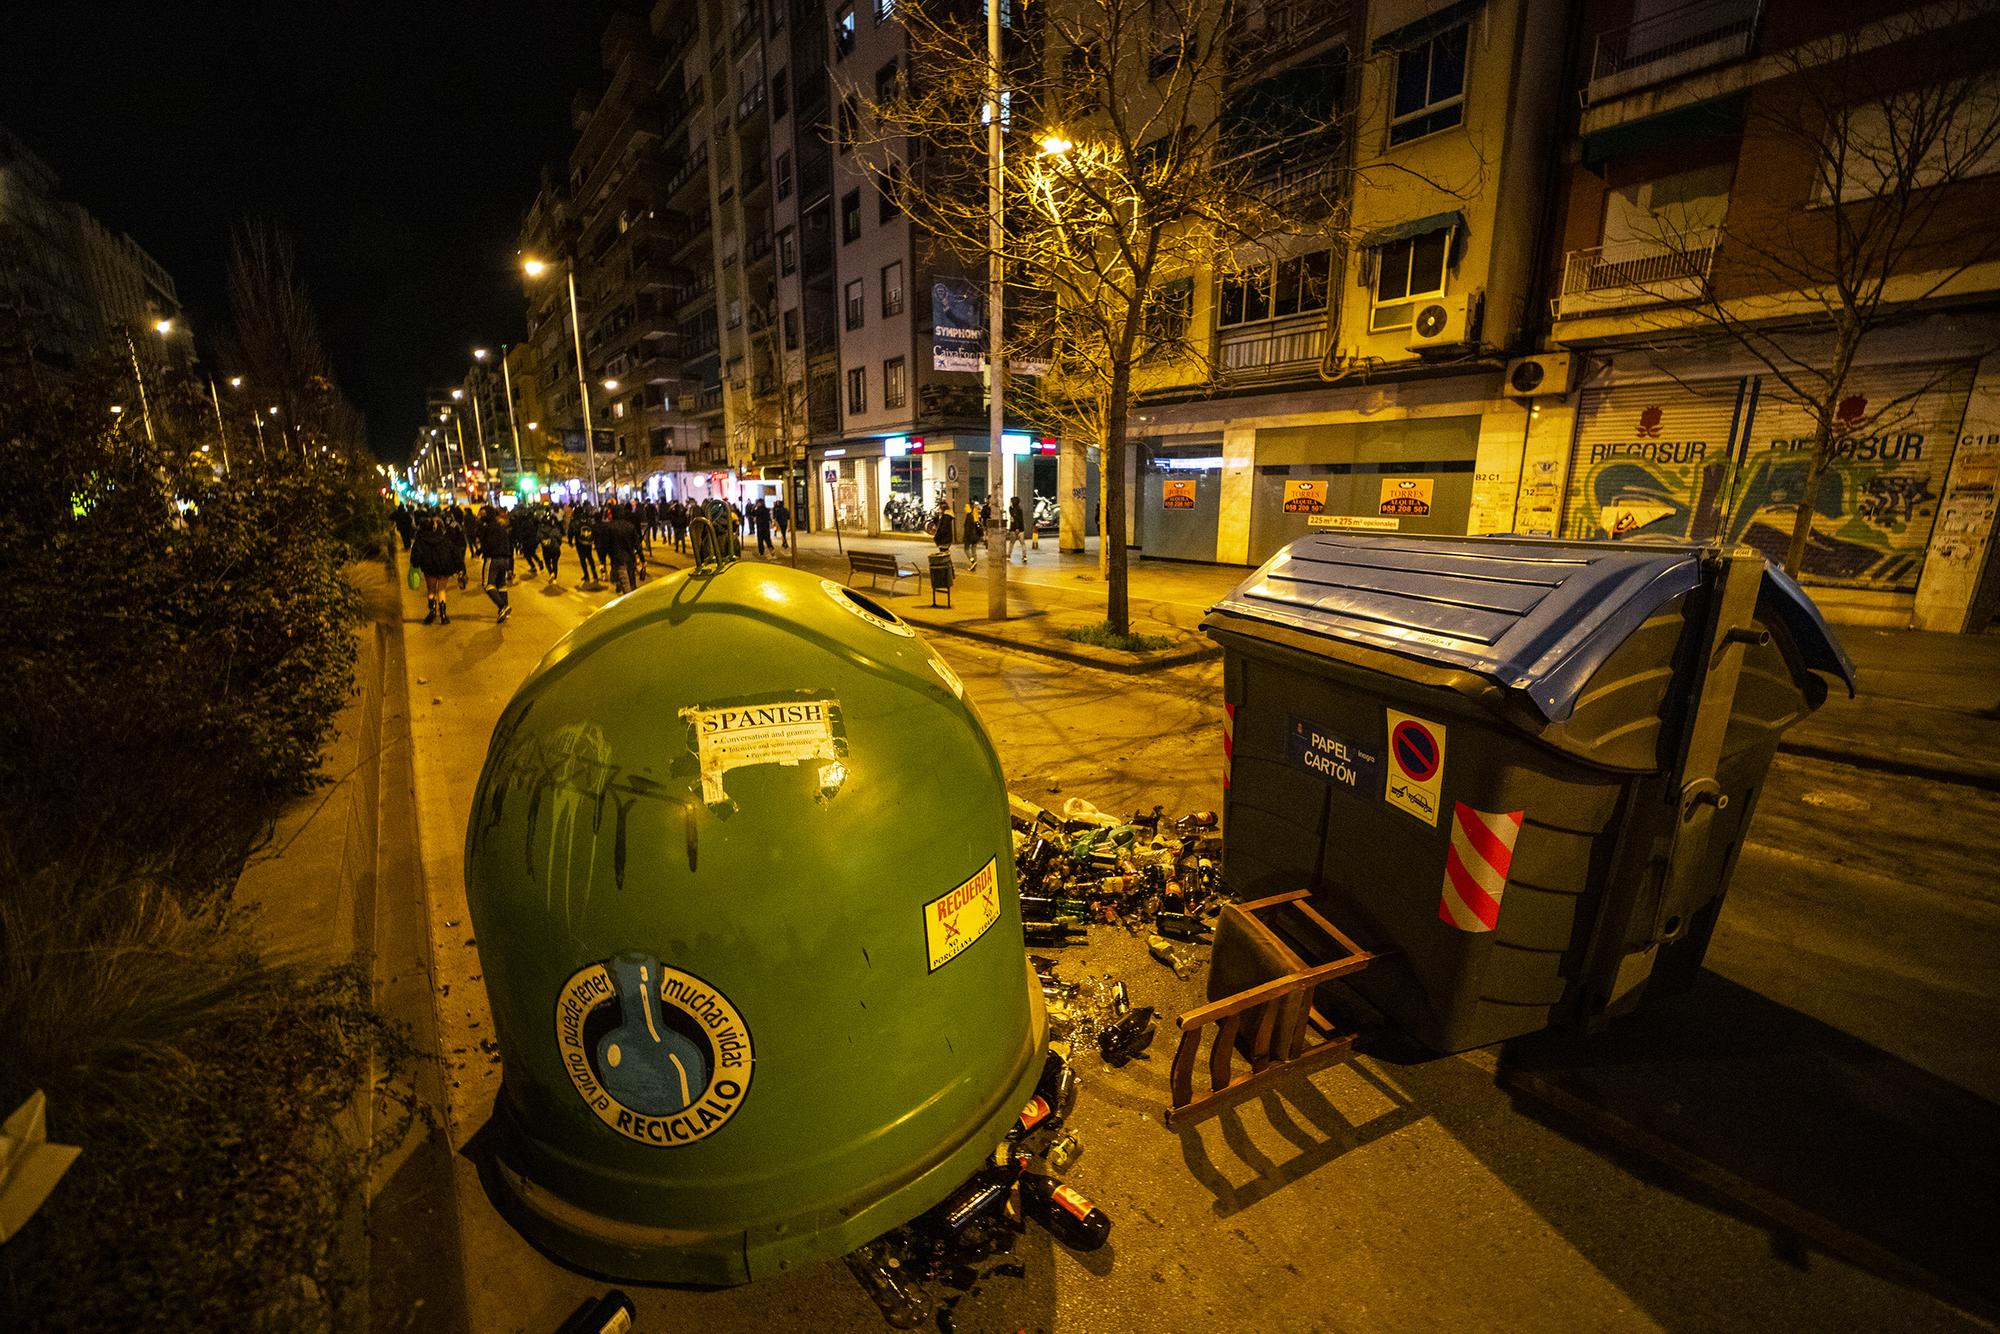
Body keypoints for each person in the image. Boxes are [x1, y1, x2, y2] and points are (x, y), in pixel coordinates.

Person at [411, 515, 464, 624]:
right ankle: (443, 615)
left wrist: (415, 564)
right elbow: (454, 552)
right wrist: (460, 568)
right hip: (444, 567)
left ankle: (432, 612)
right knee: (442, 590)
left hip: (429, 567)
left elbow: (416, 556)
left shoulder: (420, 540)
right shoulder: (443, 538)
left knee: (431, 590)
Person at [479, 507, 515, 622]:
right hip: (505, 559)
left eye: (483, 514)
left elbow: (489, 544)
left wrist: (481, 551)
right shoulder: (501, 527)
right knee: (501, 584)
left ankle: (502, 606)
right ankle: (504, 610)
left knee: (487, 584)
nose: (481, 516)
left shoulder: (489, 528)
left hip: (493, 558)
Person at [602, 503, 640, 594]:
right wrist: (641, 558)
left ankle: (630, 603)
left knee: (625, 584)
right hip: (630, 558)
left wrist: (603, 560)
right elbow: (637, 544)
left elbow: (605, 545)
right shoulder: (629, 526)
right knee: (631, 581)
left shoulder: (610, 527)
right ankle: (633, 598)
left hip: (618, 559)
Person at [571, 505, 600, 584]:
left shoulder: (575, 521)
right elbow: (593, 529)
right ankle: (595, 574)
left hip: (579, 542)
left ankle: (586, 575)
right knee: (590, 558)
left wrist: (570, 541)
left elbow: (571, 531)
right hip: (588, 542)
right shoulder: (587, 519)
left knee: (582, 559)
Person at [514, 505, 542, 577]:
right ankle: (538, 561)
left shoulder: (523, 524)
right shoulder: (530, 522)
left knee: (527, 555)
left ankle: (533, 566)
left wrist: (520, 541)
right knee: (532, 553)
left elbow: (522, 534)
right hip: (533, 540)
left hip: (527, 541)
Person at [538, 504, 564, 580]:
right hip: (555, 549)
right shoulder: (554, 529)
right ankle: (554, 577)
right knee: (555, 563)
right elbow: (559, 538)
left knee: (547, 562)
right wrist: (558, 544)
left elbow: (538, 539)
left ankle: (551, 573)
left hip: (546, 549)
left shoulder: (541, 530)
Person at [961, 500, 983, 570]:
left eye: (966, 507)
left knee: (966, 549)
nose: (965, 508)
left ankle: (972, 561)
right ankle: (974, 565)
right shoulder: (975, 514)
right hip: (976, 536)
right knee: (974, 551)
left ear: (969, 508)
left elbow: (967, 528)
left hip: (970, 536)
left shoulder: (969, 516)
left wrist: (964, 537)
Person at [1007, 496, 1028, 565]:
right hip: (1021, 529)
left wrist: (1017, 528)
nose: (1010, 503)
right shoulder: (1019, 509)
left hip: (1015, 529)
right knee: (1023, 544)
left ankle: (1008, 556)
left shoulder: (1015, 510)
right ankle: (1024, 556)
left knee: (1011, 543)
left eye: (1011, 501)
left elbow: (1017, 520)